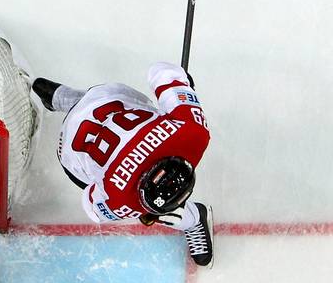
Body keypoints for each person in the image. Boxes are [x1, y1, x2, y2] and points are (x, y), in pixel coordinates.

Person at [33, 61, 214, 266]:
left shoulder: (192, 132)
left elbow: (161, 71)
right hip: (68, 145)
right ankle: (194, 219)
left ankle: (68, 99)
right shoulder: (119, 199)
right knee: (163, 212)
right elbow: (91, 203)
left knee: (103, 108)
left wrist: (181, 84)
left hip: (107, 98)